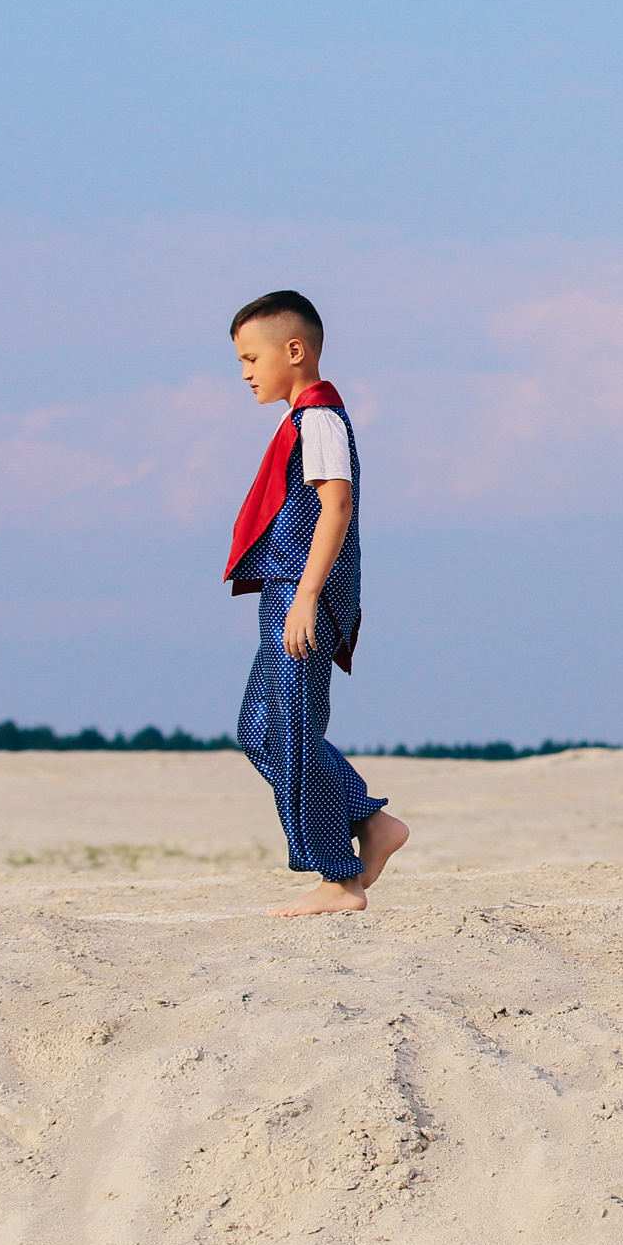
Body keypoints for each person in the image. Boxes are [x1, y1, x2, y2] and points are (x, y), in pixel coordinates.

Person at [224, 290, 408, 916]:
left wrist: (306, 598)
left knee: (295, 731)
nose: (245, 373)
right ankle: (371, 823)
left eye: (252, 358)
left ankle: (340, 878)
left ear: (295, 351)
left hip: (305, 596)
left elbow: (337, 506)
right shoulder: (299, 420)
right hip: (285, 593)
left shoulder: (320, 419)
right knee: (260, 732)